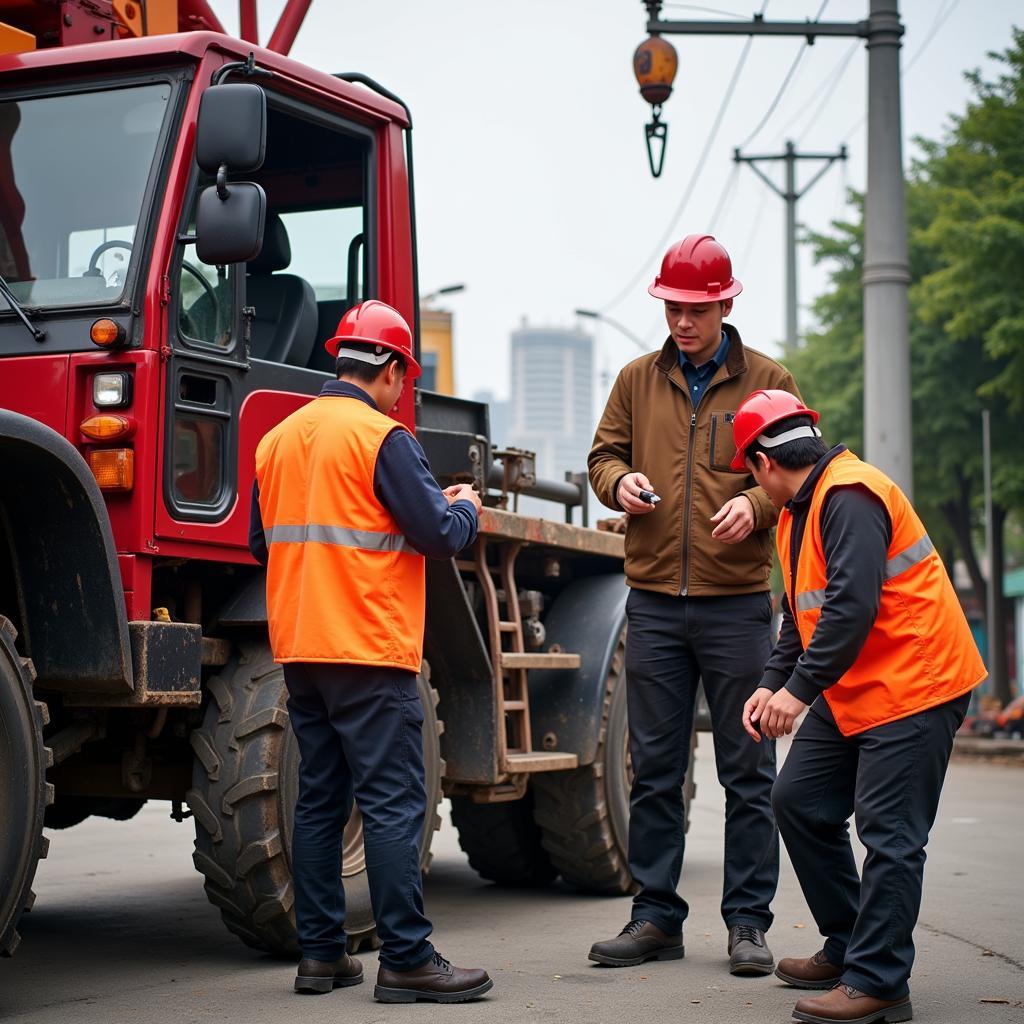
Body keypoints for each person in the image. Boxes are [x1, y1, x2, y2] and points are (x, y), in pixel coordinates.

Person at [249, 300, 493, 1004]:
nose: (400, 391)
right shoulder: (382, 438)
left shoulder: (278, 440)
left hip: (302, 649)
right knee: (391, 805)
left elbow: (263, 546)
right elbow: (438, 535)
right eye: (402, 377)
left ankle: (321, 957)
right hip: (369, 647)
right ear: (388, 368)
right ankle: (408, 959)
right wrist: (465, 506)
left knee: (320, 801)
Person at [735, 390, 986, 1024]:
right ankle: (850, 945)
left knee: (891, 835)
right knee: (798, 801)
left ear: (764, 461)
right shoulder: (799, 511)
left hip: (916, 683)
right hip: (857, 682)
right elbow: (801, 613)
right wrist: (772, 681)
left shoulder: (849, 495)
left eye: (747, 472)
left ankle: (879, 983)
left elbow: (851, 607)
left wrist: (797, 693)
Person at [587, 234, 800, 976]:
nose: (683, 321)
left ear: (726, 303)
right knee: (655, 767)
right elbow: (601, 457)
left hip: (737, 607)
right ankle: (654, 918)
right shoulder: (635, 380)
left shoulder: (769, 381)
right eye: (673, 308)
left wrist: (753, 502)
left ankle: (747, 924)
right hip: (652, 604)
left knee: (749, 767)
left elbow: (797, 474)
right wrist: (619, 485)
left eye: (697, 309)